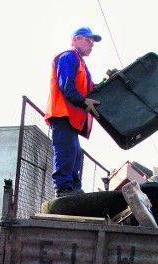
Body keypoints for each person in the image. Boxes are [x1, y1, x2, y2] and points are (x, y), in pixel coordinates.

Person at [45, 26, 104, 198]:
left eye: (93, 42)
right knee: (66, 151)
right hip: (62, 115)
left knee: (75, 154)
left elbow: (91, 90)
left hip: (71, 118)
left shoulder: (82, 65)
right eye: (87, 40)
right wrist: (83, 101)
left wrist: (109, 82)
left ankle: (73, 189)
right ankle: (63, 188)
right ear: (74, 40)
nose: (91, 44)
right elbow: (67, 87)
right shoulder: (68, 57)